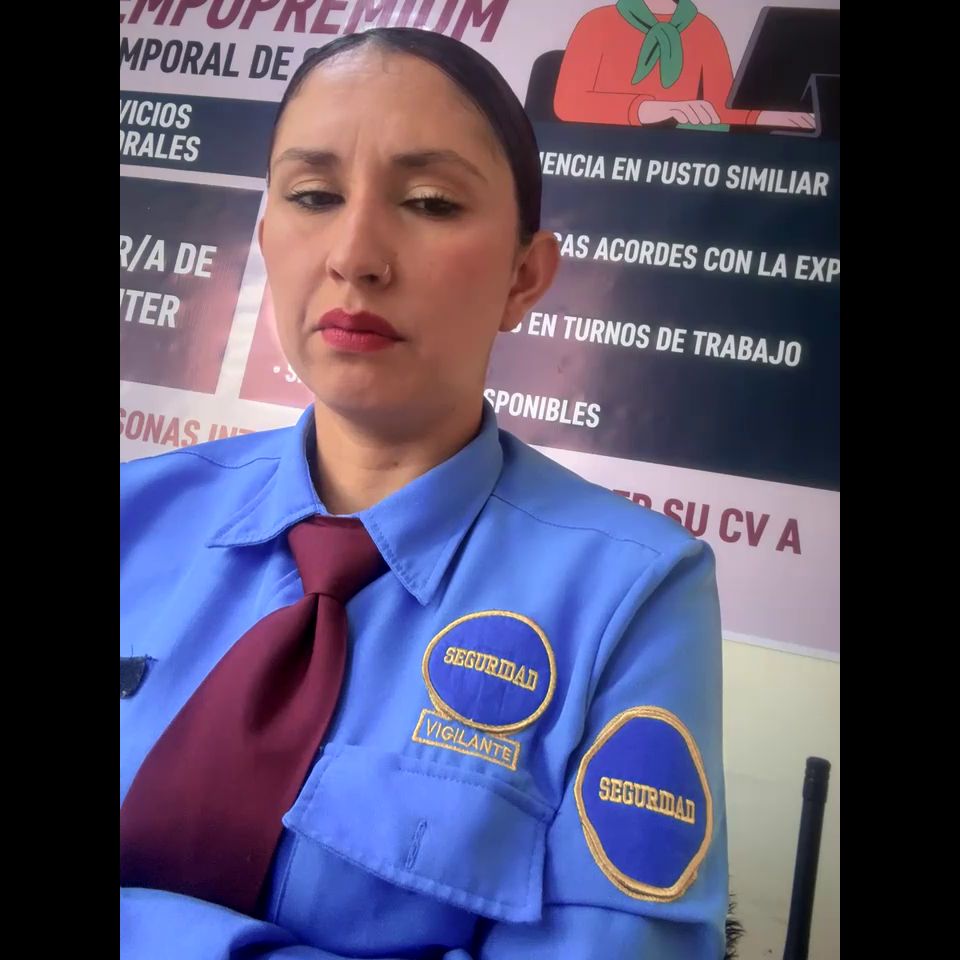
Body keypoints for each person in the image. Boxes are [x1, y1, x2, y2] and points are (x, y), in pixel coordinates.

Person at [120, 27, 728, 959]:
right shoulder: (135, 515)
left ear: (525, 276)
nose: (355, 255)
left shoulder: (632, 595)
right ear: (267, 238)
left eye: (431, 203)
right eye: (313, 196)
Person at [554, 0, 815, 130]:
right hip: (605, 158)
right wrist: (653, 109)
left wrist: (763, 118)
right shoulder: (596, 22)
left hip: (678, 160)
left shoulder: (704, 28)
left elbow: (718, 111)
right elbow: (569, 103)